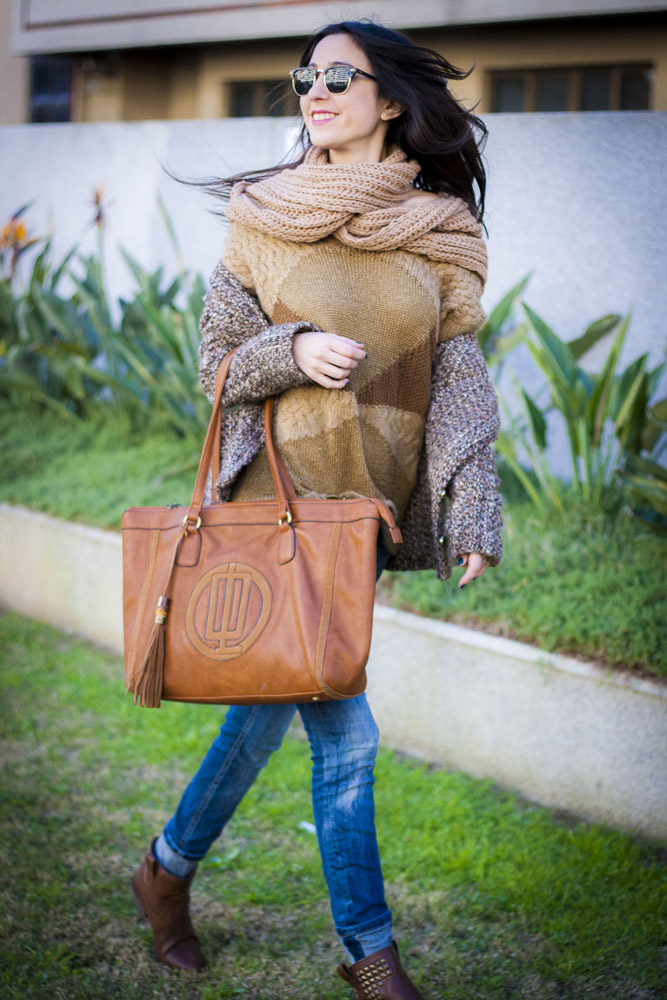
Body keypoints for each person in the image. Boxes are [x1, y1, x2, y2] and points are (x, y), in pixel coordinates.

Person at [131, 20, 503, 999]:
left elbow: (459, 377)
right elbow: (217, 366)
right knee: (347, 731)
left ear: (391, 101)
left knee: (261, 717)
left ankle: (163, 871)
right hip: (275, 505)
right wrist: (288, 350)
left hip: (359, 518)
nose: (316, 89)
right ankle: (370, 955)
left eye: (341, 75)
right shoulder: (263, 215)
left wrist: (472, 505)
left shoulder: (441, 232)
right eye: (307, 75)